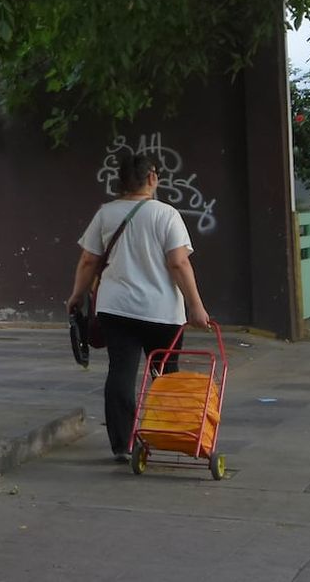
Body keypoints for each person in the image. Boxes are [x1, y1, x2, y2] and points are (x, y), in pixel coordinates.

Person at [66, 153, 210, 462]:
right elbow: (178, 262)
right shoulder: (167, 214)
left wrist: (76, 295)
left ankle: (123, 445)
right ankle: (169, 434)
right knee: (165, 373)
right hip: (163, 311)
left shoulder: (106, 214)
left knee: (121, 371)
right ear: (152, 178)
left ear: (120, 181)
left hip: (116, 309)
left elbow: (89, 260)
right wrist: (196, 306)